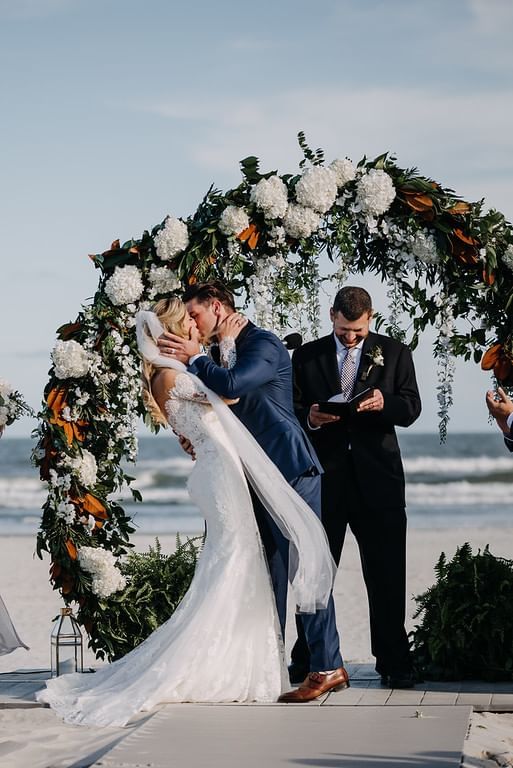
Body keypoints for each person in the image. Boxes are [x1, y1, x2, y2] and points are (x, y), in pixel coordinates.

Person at [37, 298, 337, 726]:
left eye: (198, 320)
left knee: (244, 562)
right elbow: (228, 398)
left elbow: (220, 404)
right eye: (190, 323)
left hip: (236, 470)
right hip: (223, 476)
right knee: (236, 560)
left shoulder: (204, 363)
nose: (198, 330)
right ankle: (239, 660)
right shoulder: (175, 375)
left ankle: (281, 660)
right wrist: (219, 352)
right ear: (176, 332)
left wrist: (207, 370)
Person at [158, 281, 347, 703]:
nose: (191, 323)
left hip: (289, 469)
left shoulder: (263, 343)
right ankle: (269, 663)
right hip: (253, 476)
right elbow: (223, 405)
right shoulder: (220, 352)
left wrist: (194, 357)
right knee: (270, 572)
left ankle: (327, 666)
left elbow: (234, 385)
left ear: (218, 307)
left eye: (195, 314)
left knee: (306, 564)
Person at [291, 286, 422, 689]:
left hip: (379, 481)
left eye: (359, 331)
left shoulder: (397, 353)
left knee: (386, 575)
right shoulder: (306, 356)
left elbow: (412, 407)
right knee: (315, 573)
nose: (351, 337)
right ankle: (310, 657)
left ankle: (394, 662)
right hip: (324, 482)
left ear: (370, 319)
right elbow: (290, 409)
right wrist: (310, 417)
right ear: (332, 315)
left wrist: (385, 402)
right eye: (345, 329)